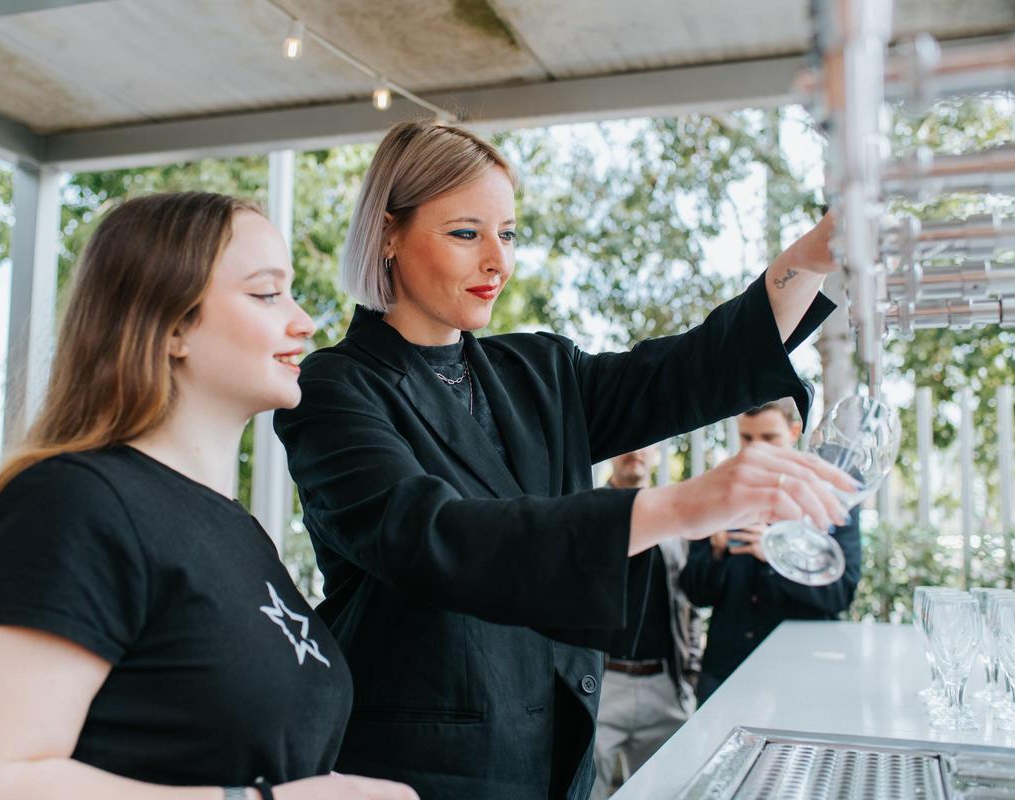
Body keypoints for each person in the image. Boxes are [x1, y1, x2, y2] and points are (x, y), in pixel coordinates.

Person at [273, 119, 855, 800]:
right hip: (421, 771)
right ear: (388, 235)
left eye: (508, 233)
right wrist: (680, 506)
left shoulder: (540, 373)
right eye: (467, 233)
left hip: (555, 757)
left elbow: (691, 370)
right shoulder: (333, 388)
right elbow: (435, 538)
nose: (499, 261)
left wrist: (815, 254)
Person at [0, 192, 416, 800]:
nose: (304, 321)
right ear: (173, 325)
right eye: (266, 293)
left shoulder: (235, 528)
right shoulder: (72, 504)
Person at [679, 399, 862, 704]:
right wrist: (715, 548)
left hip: (804, 674)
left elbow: (841, 593)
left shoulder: (829, 496)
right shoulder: (719, 492)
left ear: (794, 431)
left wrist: (780, 553)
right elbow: (695, 592)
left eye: (769, 438)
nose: (756, 450)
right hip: (726, 672)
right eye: (747, 438)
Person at [591, 446, 701, 799]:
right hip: (602, 685)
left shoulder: (677, 516)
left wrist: (691, 671)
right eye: (626, 444)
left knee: (674, 791)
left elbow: (691, 602)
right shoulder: (585, 511)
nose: (635, 451)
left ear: (659, 452)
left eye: (646, 443)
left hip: (664, 686)